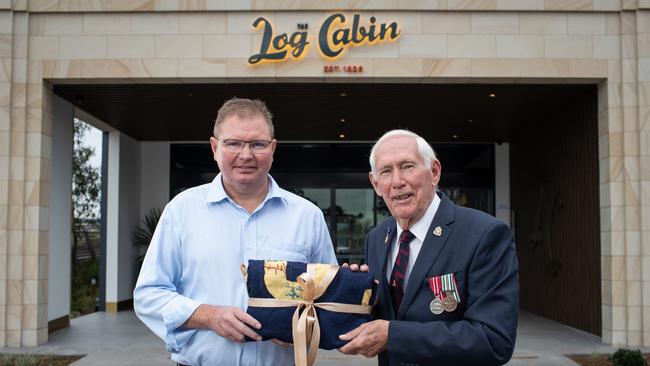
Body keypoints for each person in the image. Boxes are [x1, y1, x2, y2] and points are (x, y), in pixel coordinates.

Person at [134, 98, 337, 366]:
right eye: (233, 143)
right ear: (214, 147)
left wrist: (304, 330)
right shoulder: (181, 211)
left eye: (258, 144)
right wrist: (207, 315)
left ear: (273, 149)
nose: (246, 155)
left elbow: (327, 300)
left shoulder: (307, 216)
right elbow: (149, 295)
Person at [338, 129, 518, 366]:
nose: (397, 181)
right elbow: (386, 316)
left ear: (434, 172)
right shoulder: (376, 238)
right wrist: (353, 298)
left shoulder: (485, 234)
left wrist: (393, 335)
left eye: (408, 166)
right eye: (386, 171)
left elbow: (493, 340)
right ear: (375, 183)